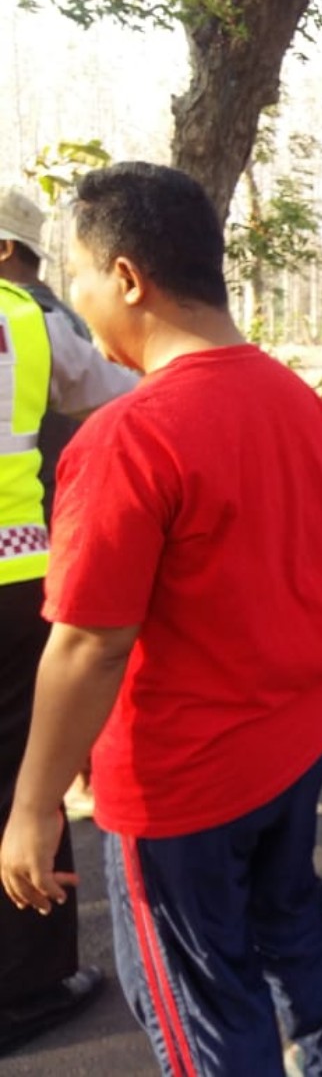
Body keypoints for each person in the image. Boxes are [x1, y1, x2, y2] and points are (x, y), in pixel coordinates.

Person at [0, 162, 322, 1075]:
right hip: (297, 737)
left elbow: (90, 644)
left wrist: (32, 805)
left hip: (183, 780)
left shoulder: (129, 438)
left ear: (127, 277)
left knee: (201, 995)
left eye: (79, 280)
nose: (76, 303)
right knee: (290, 919)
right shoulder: (298, 402)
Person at [0, 185, 136, 1057]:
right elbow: (125, 391)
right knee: (25, 778)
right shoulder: (27, 321)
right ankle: (28, 985)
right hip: (13, 577)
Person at [0, 187, 118, 825]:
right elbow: (122, 397)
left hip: (40, 545)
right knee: (28, 748)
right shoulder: (50, 324)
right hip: (34, 553)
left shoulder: (38, 320)